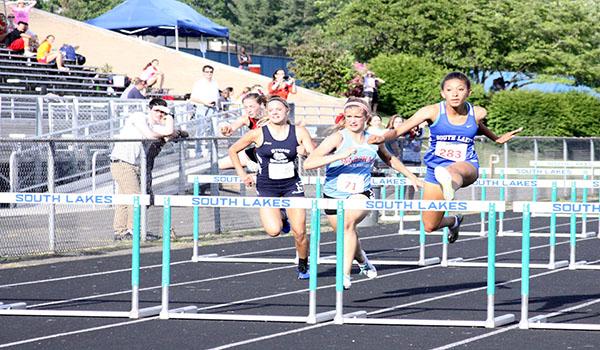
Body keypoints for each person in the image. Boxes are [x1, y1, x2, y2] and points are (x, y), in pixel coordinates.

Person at [370, 72, 522, 243]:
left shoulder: (477, 112)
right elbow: (399, 130)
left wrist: (496, 138)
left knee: (451, 171)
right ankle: (454, 220)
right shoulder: (432, 111)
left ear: (469, 92)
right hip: (435, 170)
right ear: (443, 93)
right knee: (429, 226)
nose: (455, 94)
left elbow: (477, 125)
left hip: (466, 166)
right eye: (449, 90)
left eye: (460, 89)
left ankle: (449, 185)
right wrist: (382, 137)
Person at [304, 97, 422, 289]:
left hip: (361, 192)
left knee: (348, 224)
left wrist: (412, 177)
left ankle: (344, 274)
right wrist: (339, 155)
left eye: (357, 117)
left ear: (366, 118)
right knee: (345, 232)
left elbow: (390, 159)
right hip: (333, 194)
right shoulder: (338, 138)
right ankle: (362, 260)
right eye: (348, 116)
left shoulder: (373, 139)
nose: (352, 120)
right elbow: (309, 163)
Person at [227, 96, 315, 279]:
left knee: (299, 232)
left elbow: (314, 156)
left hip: (292, 185)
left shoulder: (298, 131)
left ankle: (303, 265)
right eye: (271, 110)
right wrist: (242, 175)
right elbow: (233, 150)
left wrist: (304, 152)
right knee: (274, 231)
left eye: (279, 109)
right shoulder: (258, 133)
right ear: (267, 112)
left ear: (287, 111)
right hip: (267, 187)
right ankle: (282, 214)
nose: (275, 112)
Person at [110, 98, 175, 240]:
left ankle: (121, 231)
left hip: (134, 166)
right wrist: (169, 117)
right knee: (137, 198)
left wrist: (169, 121)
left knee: (125, 199)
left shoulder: (156, 127)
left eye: (162, 112)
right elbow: (155, 134)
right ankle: (134, 230)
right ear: (149, 110)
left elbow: (171, 133)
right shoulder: (139, 117)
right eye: (157, 110)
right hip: (122, 163)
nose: (159, 114)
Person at [218, 92, 267, 172]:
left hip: (272, 153)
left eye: (251, 106)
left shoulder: (270, 117)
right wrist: (225, 130)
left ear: (261, 105)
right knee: (220, 164)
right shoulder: (246, 118)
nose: (249, 110)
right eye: (246, 107)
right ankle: (251, 163)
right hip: (256, 152)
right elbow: (231, 128)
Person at [385, 114, 424, 200]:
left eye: (400, 122)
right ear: (392, 123)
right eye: (396, 122)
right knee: (395, 186)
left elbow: (417, 148)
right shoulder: (389, 133)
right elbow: (395, 150)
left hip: (414, 161)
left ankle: (408, 205)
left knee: (412, 185)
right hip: (397, 163)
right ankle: (380, 200)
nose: (398, 124)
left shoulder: (411, 133)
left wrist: (415, 135)